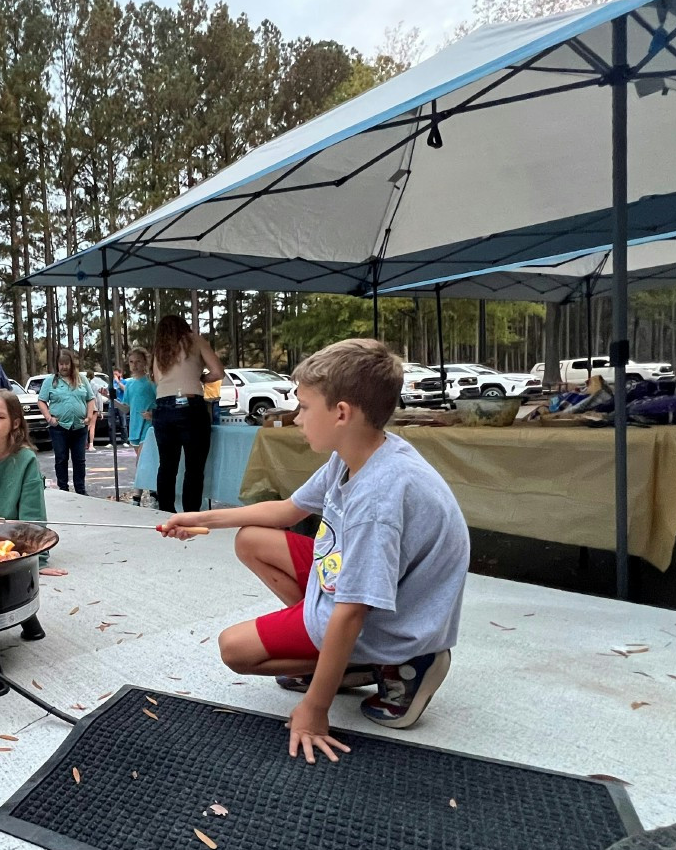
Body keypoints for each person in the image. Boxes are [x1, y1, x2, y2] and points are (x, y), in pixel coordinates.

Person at [160, 339, 469, 763]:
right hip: (364, 588)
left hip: (394, 619)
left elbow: (352, 611)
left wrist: (315, 709)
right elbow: (288, 510)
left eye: (304, 407)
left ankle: (399, 664)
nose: (296, 417)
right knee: (251, 538)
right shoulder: (358, 454)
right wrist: (199, 519)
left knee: (234, 649)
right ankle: (350, 663)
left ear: (341, 413)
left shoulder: (377, 500)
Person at [150, 314, 225, 513]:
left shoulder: (160, 350)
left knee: (167, 465)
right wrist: (199, 377)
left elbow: (158, 381)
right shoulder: (195, 340)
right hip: (190, 405)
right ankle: (190, 513)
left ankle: (166, 511)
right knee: (194, 466)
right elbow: (218, 372)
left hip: (163, 407)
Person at [36, 350, 97, 496]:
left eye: (66, 363)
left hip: (79, 426)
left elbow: (90, 398)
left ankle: (80, 490)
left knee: (79, 459)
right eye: (61, 364)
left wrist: (89, 417)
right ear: (57, 364)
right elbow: (41, 400)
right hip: (59, 428)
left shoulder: (82, 379)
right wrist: (49, 418)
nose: (64, 367)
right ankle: (63, 489)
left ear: (71, 364)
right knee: (61, 458)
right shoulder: (51, 381)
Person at [121, 347, 158, 506]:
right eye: (131, 362)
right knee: (146, 463)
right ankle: (154, 494)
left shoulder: (150, 382)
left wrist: (153, 413)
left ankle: (137, 497)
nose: (134, 365)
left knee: (141, 462)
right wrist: (110, 398)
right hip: (135, 428)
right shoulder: (129, 384)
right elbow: (126, 407)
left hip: (148, 427)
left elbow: (161, 401)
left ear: (145, 363)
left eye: (138, 362)